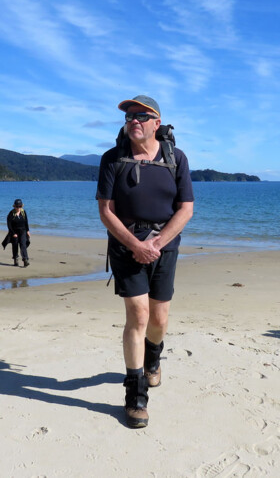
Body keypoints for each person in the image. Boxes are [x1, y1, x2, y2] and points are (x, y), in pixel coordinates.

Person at [96, 95, 194, 428]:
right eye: (128, 117)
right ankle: (135, 395)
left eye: (141, 115)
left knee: (159, 318)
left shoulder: (176, 158)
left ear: (157, 122)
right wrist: (136, 245)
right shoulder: (112, 159)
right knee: (138, 315)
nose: (133, 120)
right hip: (126, 248)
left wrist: (156, 243)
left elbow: (186, 209)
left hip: (164, 248)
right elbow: (106, 210)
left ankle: (153, 360)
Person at [3, 198, 31, 267]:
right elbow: (9, 225)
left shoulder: (23, 212)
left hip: (23, 231)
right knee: (15, 245)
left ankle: (25, 260)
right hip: (14, 231)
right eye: (17, 206)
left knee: (23, 244)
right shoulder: (11, 214)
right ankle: (15, 259)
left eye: (20, 206)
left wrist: (27, 231)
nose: (18, 208)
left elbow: (26, 222)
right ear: (14, 206)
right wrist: (13, 233)